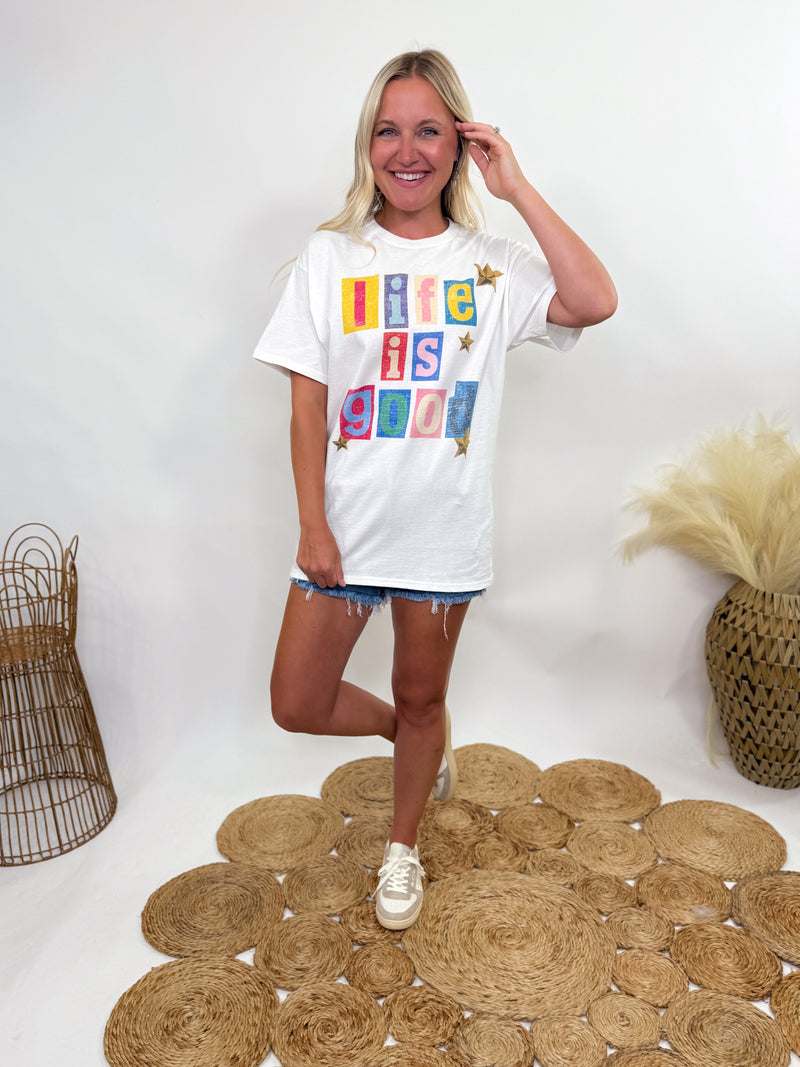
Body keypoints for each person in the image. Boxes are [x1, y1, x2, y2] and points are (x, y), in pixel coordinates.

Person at [253, 49, 616, 930]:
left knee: (425, 695)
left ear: (459, 146)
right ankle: (411, 736)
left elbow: (594, 300)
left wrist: (516, 188)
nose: (406, 151)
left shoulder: (489, 265)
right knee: (298, 701)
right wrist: (312, 524)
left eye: (428, 131)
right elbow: (306, 407)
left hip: (442, 533)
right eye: (388, 131)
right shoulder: (330, 257)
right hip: (347, 529)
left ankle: (402, 847)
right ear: (367, 145)